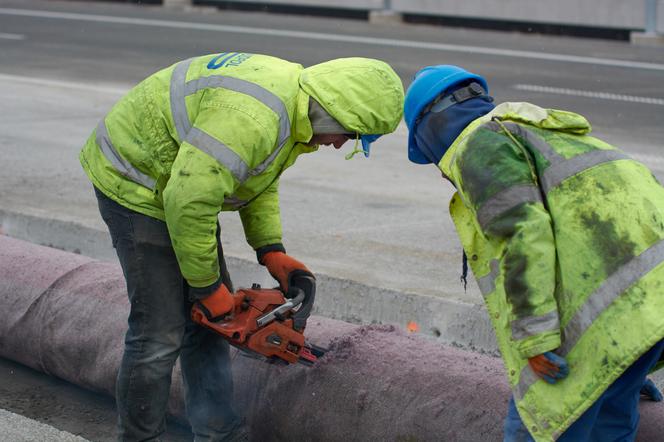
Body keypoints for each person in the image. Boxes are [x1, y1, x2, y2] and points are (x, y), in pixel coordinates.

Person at [79, 52, 404, 441]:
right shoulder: (253, 117)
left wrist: (270, 248)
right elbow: (188, 201)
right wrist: (207, 289)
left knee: (210, 323)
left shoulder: (292, 113)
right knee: (159, 332)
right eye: (349, 136)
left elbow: (257, 177)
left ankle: (218, 432)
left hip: (181, 184)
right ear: (335, 111)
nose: (338, 146)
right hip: (136, 179)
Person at [402, 64, 664, 441]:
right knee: (611, 422)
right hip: (643, 311)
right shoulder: (543, 132)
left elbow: (523, 235)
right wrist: (626, 366)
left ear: (430, 131)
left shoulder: (480, 144)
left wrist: (536, 340)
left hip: (609, 318)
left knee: (538, 424)